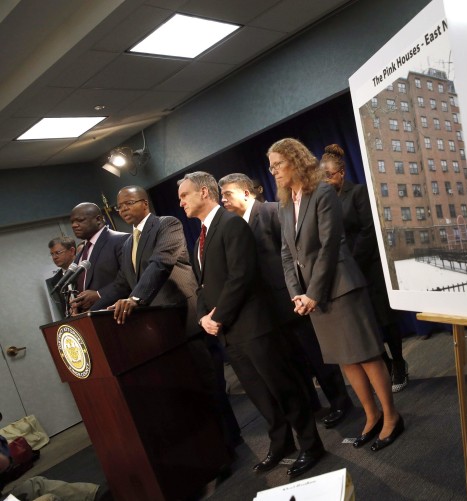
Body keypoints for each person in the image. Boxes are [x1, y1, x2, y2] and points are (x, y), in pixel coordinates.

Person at [178, 171, 324, 478]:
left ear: (205, 193)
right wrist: (204, 316)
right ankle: (281, 444)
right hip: (230, 334)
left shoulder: (231, 225)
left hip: (255, 326)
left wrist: (216, 317)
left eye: (184, 195)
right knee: (260, 394)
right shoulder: (199, 239)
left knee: (283, 386)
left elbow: (241, 276)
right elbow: (202, 286)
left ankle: (311, 445)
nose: (180, 203)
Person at [269, 138, 403, 451]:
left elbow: (330, 246)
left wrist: (313, 293)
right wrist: (297, 294)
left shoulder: (324, 192)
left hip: (340, 287)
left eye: (277, 164)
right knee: (345, 360)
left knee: (366, 355)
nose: (273, 171)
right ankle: (371, 417)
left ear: (296, 160)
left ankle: (392, 417)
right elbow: (287, 255)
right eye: (270, 167)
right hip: (313, 297)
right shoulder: (287, 202)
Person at [90, 185, 242, 455]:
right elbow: (121, 283)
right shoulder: (127, 244)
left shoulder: (166, 225)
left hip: (186, 319)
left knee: (211, 386)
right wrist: (93, 308)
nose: (122, 209)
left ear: (145, 203)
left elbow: (160, 264)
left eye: (128, 203)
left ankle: (231, 442)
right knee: (190, 392)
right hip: (160, 332)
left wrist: (135, 300)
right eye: (119, 206)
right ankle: (211, 446)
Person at [219, 173, 355, 428]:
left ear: (246, 193)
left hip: (292, 299)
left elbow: (294, 254)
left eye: (227, 193)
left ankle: (340, 402)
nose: (223, 199)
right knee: (293, 361)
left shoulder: (272, 211)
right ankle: (314, 405)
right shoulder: (235, 225)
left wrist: (300, 292)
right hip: (266, 311)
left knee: (316, 354)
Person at [320, 144, 410, 392]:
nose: (325, 181)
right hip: (347, 273)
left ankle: (400, 364)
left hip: (368, 266)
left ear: (341, 173)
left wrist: (353, 261)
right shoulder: (324, 202)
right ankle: (386, 365)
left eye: (329, 175)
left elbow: (369, 230)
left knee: (384, 319)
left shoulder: (357, 193)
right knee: (367, 325)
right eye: (322, 177)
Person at [68, 202, 128, 313]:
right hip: (89, 318)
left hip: (115, 314)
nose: (74, 225)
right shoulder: (82, 252)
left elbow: (128, 278)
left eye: (80, 220)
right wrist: (77, 306)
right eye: (72, 222)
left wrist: (99, 294)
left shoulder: (121, 240)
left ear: (98, 219)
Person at [45, 236, 77, 320]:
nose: (54, 257)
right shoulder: (55, 280)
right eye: (52, 254)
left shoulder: (85, 268)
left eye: (58, 252)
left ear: (72, 251)